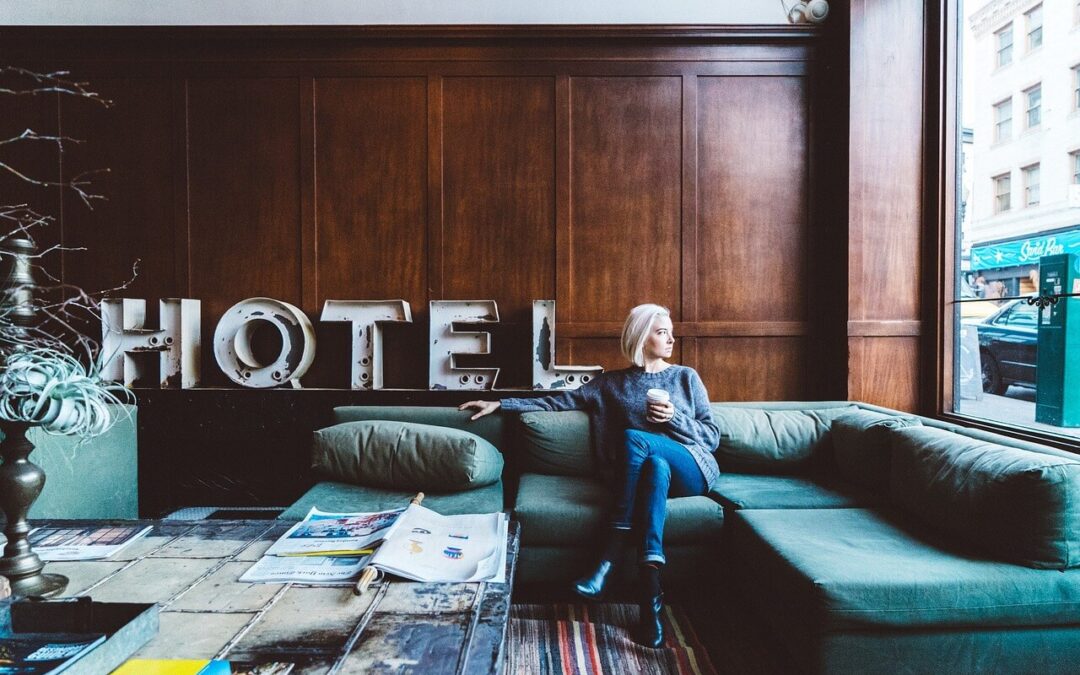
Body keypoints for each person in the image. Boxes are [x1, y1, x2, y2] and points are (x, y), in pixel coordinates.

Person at [459, 303, 721, 648]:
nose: (672, 339)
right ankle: (650, 600)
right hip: (651, 479)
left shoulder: (685, 377)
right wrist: (500, 403)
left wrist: (674, 418)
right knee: (655, 466)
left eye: (670, 332)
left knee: (637, 440)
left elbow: (711, 437)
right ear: (641, 337)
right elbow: (556, 402)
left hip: (692, 467)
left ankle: (609, 554)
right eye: (662, 332)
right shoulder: (611, 384)